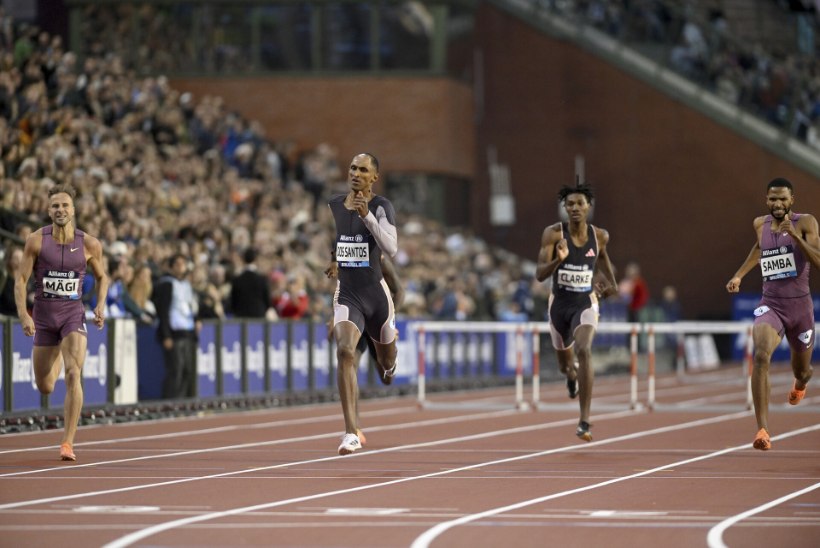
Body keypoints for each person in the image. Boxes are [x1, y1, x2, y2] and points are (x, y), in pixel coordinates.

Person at [13, 183, 109, 461]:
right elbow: (20, 280)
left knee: (73, 373)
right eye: (55, 206)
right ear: (48, 210)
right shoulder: (36, 240)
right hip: (43, 317)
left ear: (73, 210)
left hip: (72, 315)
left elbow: (103, 277)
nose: (60, 210)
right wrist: (23, 315)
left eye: (65, 205)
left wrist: (100, 305)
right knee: (45, 386)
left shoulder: (90, 244)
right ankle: (55, 353)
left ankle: (67, 442)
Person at [726, 177, 819, 451]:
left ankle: (800, 383)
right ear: (766, 200)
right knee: (761, 354)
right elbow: (759, 249)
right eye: (772, 199)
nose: (777, 204)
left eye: (782, 199)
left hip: (801, 308)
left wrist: (797, 240)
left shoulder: (806, 223)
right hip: (772, 305)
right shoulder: (760, 224)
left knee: (802, 370)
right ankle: (763, 429)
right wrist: (739, 275)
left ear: (792, 200)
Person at [327, 152, 398, 455]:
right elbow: (341, 241)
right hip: (349, 294)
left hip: (377, 298)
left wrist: (367, 214)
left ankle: (391, 361)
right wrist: (334, 262)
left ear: (374, 177)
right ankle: (350, 432)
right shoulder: (334, 204)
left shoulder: (382, 207)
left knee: (385, 367)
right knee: (345, 351)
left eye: (363, 170)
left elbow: (391, 248)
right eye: (353, 168)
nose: (355, 173)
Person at [535, 181, 618, 442]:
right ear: (564, 208)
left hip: (584, 303)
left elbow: (605, 265)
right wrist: (558, 260)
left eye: (580, 204)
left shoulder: (600, 236)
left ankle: (584, 420)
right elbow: (539, 275)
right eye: (569, 204)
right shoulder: (553, 234)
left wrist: (609, 287)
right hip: (559, 305)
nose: (574, 208)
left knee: (584, 349)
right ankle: (571, 376)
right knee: (565, 365)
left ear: (588, 207)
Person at [152, 254, 200, 399]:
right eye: (177, 264)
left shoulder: (186, 285)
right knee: (175, 370)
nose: (181, 267)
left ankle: (183, 401)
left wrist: (197, 319)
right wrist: (166, 335)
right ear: (171, 267)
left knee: (187, 370)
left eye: (183, 264)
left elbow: (191, 306)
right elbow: (163, 310)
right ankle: (171, 401)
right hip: (174, 333)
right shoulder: (166, 284)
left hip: (188, 332)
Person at [229, 247, 270, 318]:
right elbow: (267, 301)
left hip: (241, 317)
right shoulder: (262, 279)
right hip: (258, 317)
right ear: (255, 259)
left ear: (243, 260)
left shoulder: (237, 280)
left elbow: (233, 302)